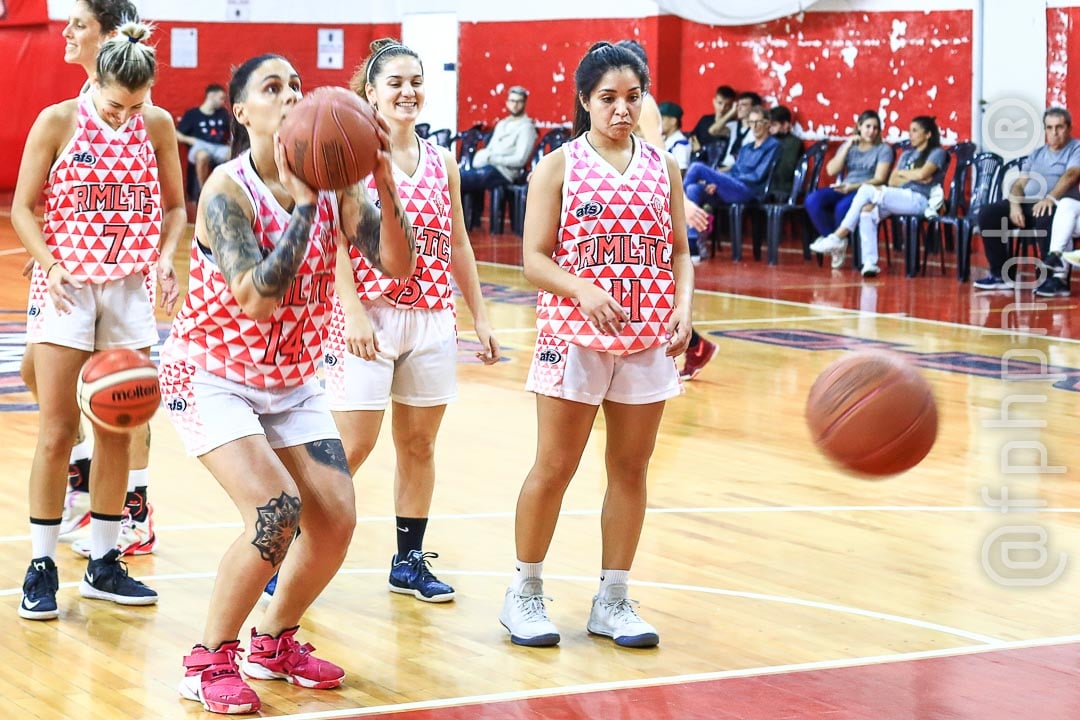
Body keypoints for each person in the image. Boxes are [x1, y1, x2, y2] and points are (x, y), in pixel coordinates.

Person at [159, 53, 415, 714]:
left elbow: (398, 263)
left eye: (296, 85)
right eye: (272, 87)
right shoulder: (228, 189)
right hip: (212, 374)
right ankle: (208, 658)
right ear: (242, 111)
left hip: (292, 380)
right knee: (275, 511)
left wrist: (381, 176)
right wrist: (304, 208)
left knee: (336, 520)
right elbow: (255, 299)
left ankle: (272, 642)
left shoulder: (339, 187)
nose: (291, 95)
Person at [498, 41, 693, 649]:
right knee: (555, 466)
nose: (622, 110)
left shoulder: (663, 166)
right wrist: (582, 288)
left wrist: (685, 306)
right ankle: (524, 592)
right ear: (585, 100)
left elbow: (680, 252)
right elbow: (533, 259)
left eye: (633, 98)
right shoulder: (558, 166)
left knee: (631, 468)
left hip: (646, 337)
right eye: (608, 98)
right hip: (573, 336)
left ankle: (613, 599)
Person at [11, 20, 184, 621]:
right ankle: (41, 566)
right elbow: (22, 208)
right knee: (59, 429)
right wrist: (49, 263)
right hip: (68, 288)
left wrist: (164, 258)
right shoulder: (58, 121)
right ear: (98, 83)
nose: (126, 115)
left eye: (136, 105)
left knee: (119, 424)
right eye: (116, 105)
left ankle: (105, 562)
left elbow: (175, 207)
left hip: (129, 290)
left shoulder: (156, 125)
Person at [320, 39, 500, 604]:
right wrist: (352, 311)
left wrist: (480, 315)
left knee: (419, 444)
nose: (408, 91)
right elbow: (334, 242)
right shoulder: (350, 157)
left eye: (416, 81)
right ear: (371, 92)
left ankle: (409, 560)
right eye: (395, 82)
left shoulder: (442, 161)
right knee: (351, 446)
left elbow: (458, 242)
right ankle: (297, 549)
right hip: (366, 317)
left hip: (431, 316)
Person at [810, 116, 947, 278]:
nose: (910, 134)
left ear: (928, 134)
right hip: (899, 197)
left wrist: (905, 174)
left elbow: (923, 173)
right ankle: (870, 263)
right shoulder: (906, 155)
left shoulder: (937, 153)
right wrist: (911, 175)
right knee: (867, 211)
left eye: (915, 131)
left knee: (866, 190)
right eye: (910, 130)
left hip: (920, 200)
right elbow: (892, 181)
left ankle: (838, 237)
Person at [971, 108, 1080, 291]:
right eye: (1049, 127)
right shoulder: (1037, 154)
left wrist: (1049, 198)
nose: (1054, 133)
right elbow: (1019, 184)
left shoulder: (1076, 148)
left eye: (1059, 127)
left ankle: (1052, 279)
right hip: (1027, 204)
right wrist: (1014, 205)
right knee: (988, 213)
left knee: (1046, 214)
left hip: (1058, 204)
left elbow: (1072, 175)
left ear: (1069, 128)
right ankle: (1001, 275)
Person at [682, 105, 779, 262]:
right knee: (694, 189)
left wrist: (723, 182)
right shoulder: (746, 148)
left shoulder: (773, 145)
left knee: (697, 167)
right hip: (731, 189)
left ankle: (675, 209)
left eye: (758, 122)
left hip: (749, 190)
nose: (754, 127)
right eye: (751, 122)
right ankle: (692, 244)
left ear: (767, 123)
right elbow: (734, 170)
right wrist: (718, 183)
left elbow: (757, 176)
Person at [804, 110, 893, 269]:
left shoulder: (883, 149)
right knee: (812, 200)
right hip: (845, 186)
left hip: (866, 190)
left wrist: (852, 187)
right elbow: (831, 170)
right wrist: (846, 146)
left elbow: (880, 178)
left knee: (841, 207)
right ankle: (837, 242)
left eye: (875, 128)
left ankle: (835, 241)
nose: (871, 131)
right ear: (859, 127)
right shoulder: (850, 146)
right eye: (868, 126)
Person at [458, 85, 536, 193]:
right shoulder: (502, 124)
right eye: (512, 101)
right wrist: (484, 157)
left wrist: (491, 159)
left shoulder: (527, 128)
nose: (515, 105)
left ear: (524, 103)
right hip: (489, 167)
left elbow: (520, 160)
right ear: (507, 102)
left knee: (461, 180)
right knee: (458, 177)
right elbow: (490, 149)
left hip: (505, 173)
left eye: (519, 101)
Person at [175, 83, 230, 193]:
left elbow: (233, 130)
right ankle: (203, 191)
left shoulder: (223, 113)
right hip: (200, 146)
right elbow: (176, 134)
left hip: (218, 147)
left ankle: (227, 191)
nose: (223, 102)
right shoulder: (193, 114)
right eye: (221, 98)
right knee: (202, 156)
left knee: (235, 154)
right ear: (211, 96)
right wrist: (189, 140)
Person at [767, 105, 803, 200]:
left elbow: (785, 171)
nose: (770, 129)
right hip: (766, 185)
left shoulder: (793, 142)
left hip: (780, 188)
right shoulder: (768, 139)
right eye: (769, 125)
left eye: (774, 125)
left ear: (785, 125)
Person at [690, 85, 737, 156]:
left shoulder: (733, 124)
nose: (722, 108)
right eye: (720, 103)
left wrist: (731, 113)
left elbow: (713, 131)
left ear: (732, 107)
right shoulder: (705, 119)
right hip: (698, 157)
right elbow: (692, 136)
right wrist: (696, 147)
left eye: (727, 105)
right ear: (714, 101)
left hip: (717, 160)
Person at [659, 101, 691, 174]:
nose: (658, 122)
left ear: (673, 121)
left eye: (662, 119)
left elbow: (680, 172)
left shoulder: (680, 143)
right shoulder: (662, 139)